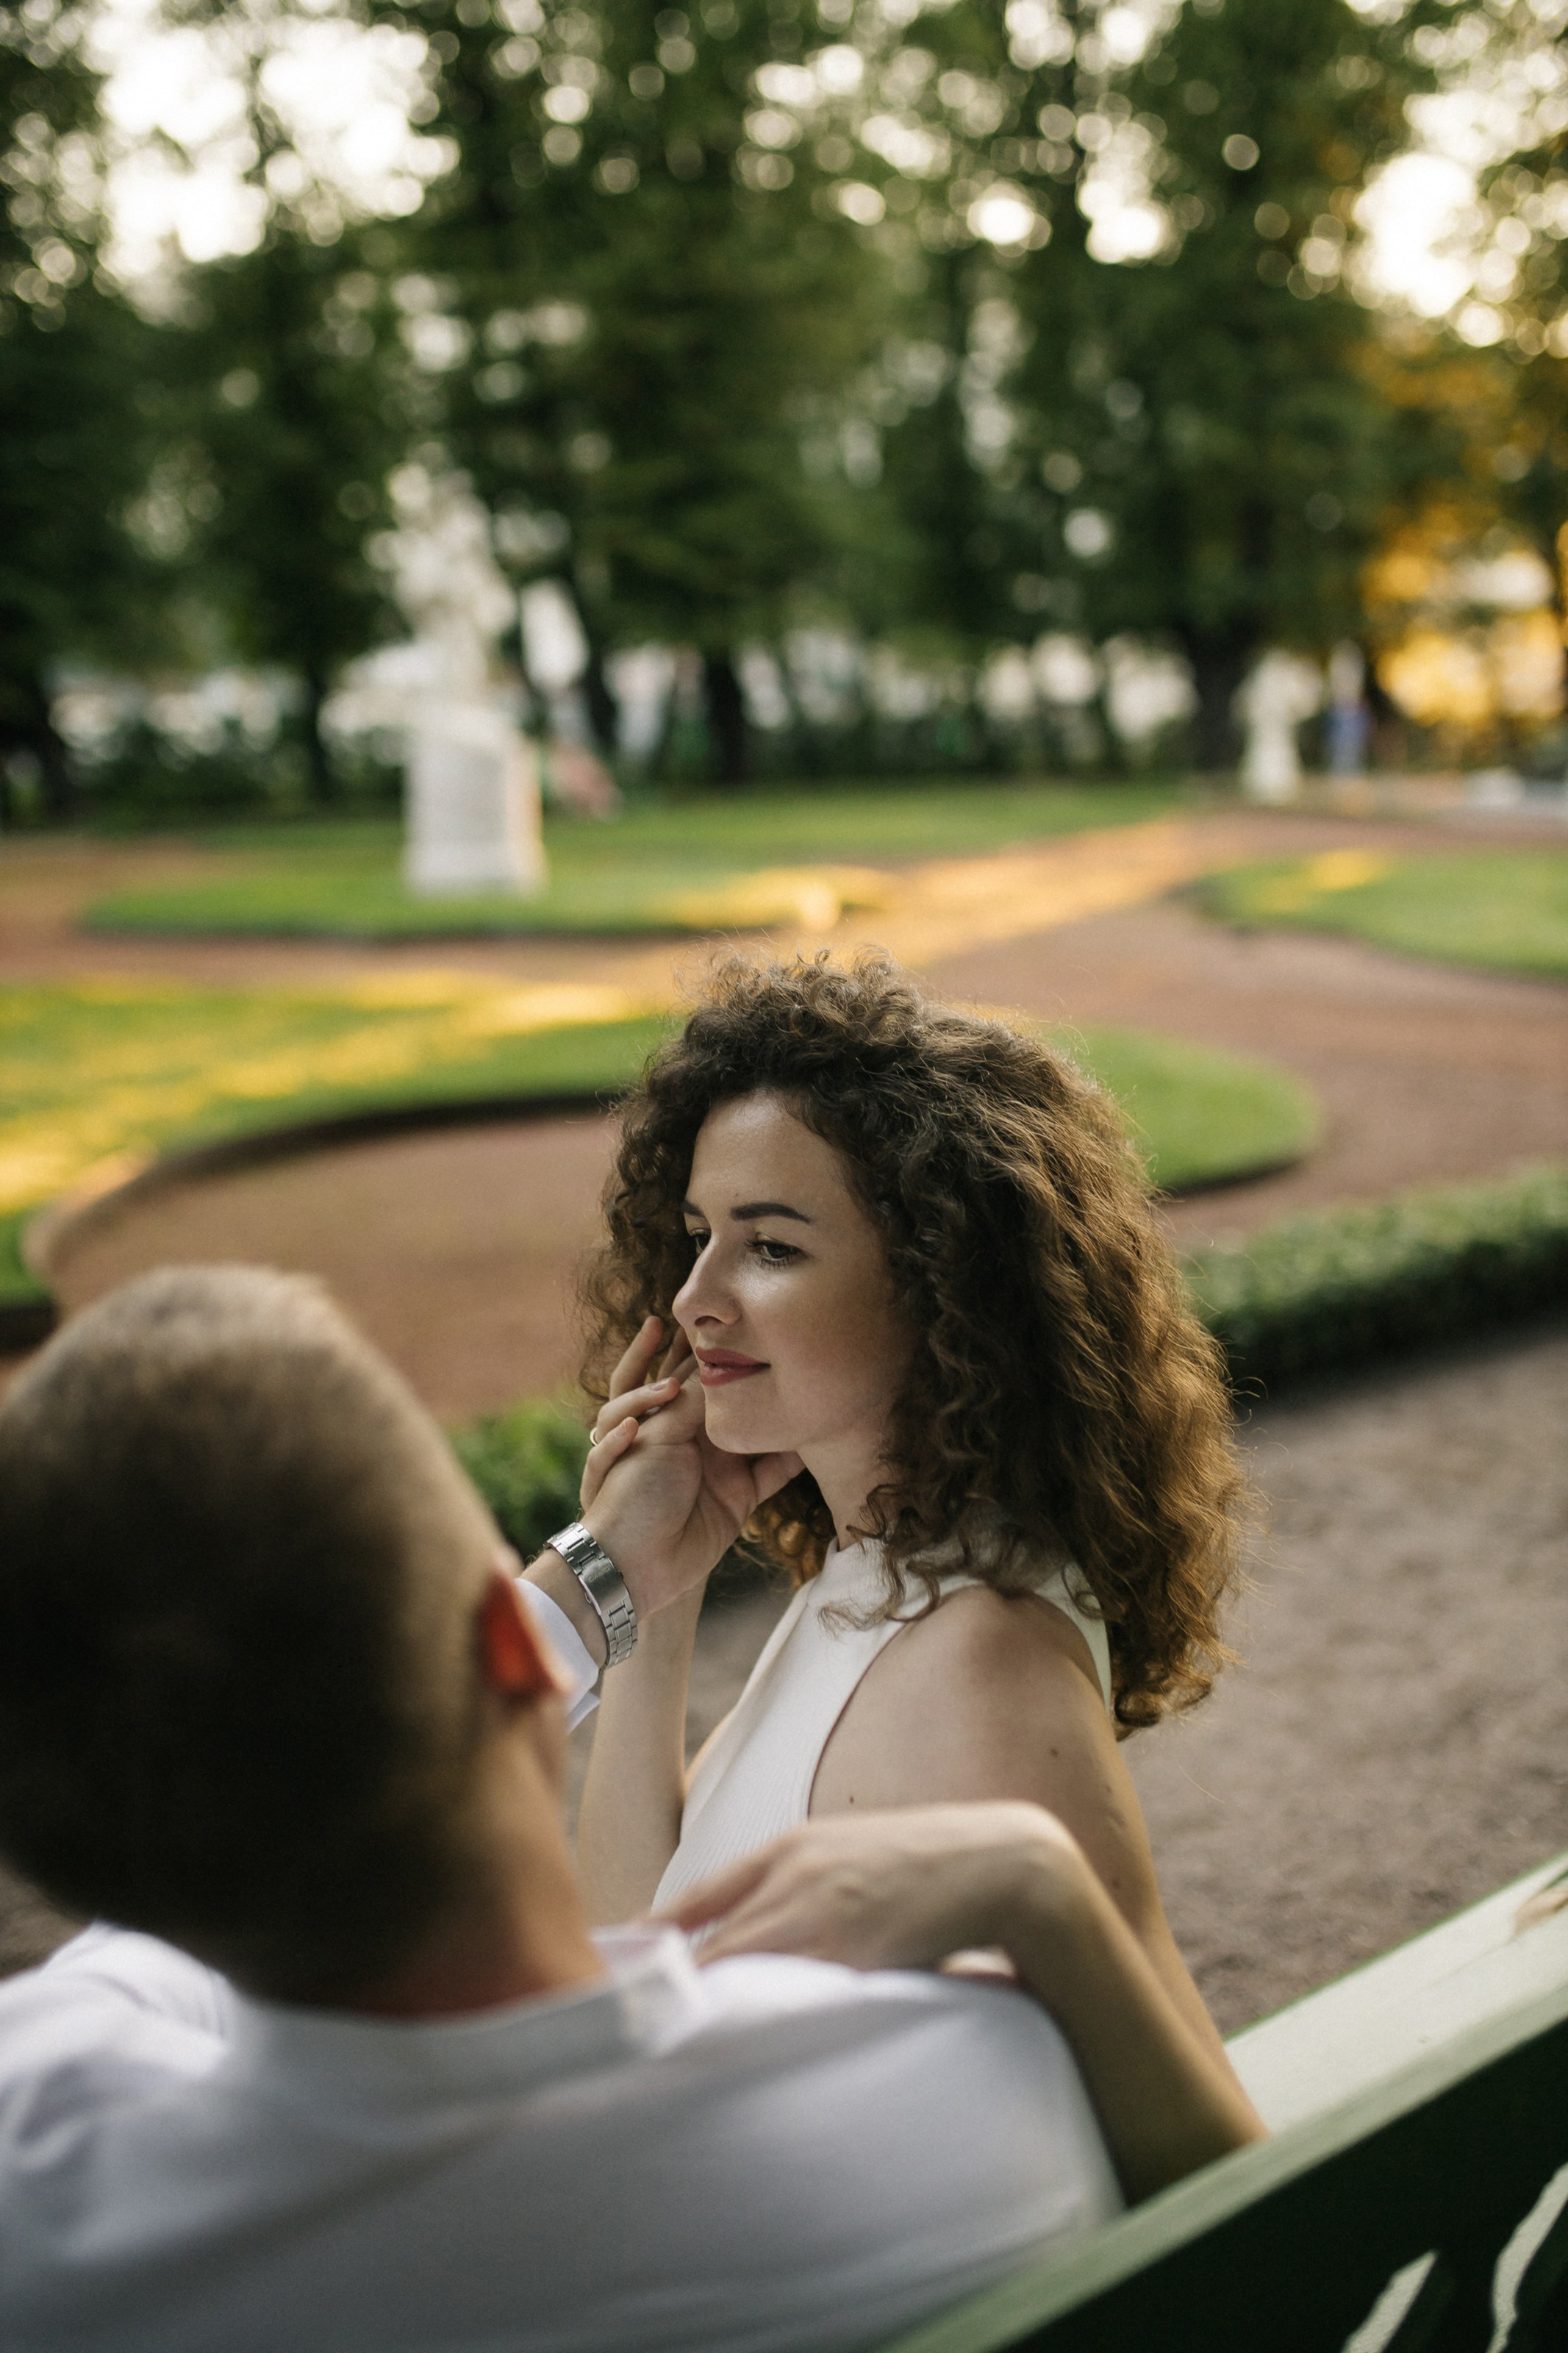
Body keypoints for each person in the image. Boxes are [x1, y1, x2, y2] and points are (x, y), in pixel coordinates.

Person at [0, 1266, 1261, 2353]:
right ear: (506, 1649)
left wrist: (600, 1586)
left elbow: (154, 1895)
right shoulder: (969, 2093)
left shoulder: (39, 2176)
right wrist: (1044, 1888)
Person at [572, 954, 1247, 2103]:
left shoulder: (977, 1657)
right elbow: (635, 1935)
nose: (693, 1297)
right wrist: (652, 1593)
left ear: (943, 1288)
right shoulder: (877, 1571)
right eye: (698, 1235)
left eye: (771, 1246)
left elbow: (1214, 2176)